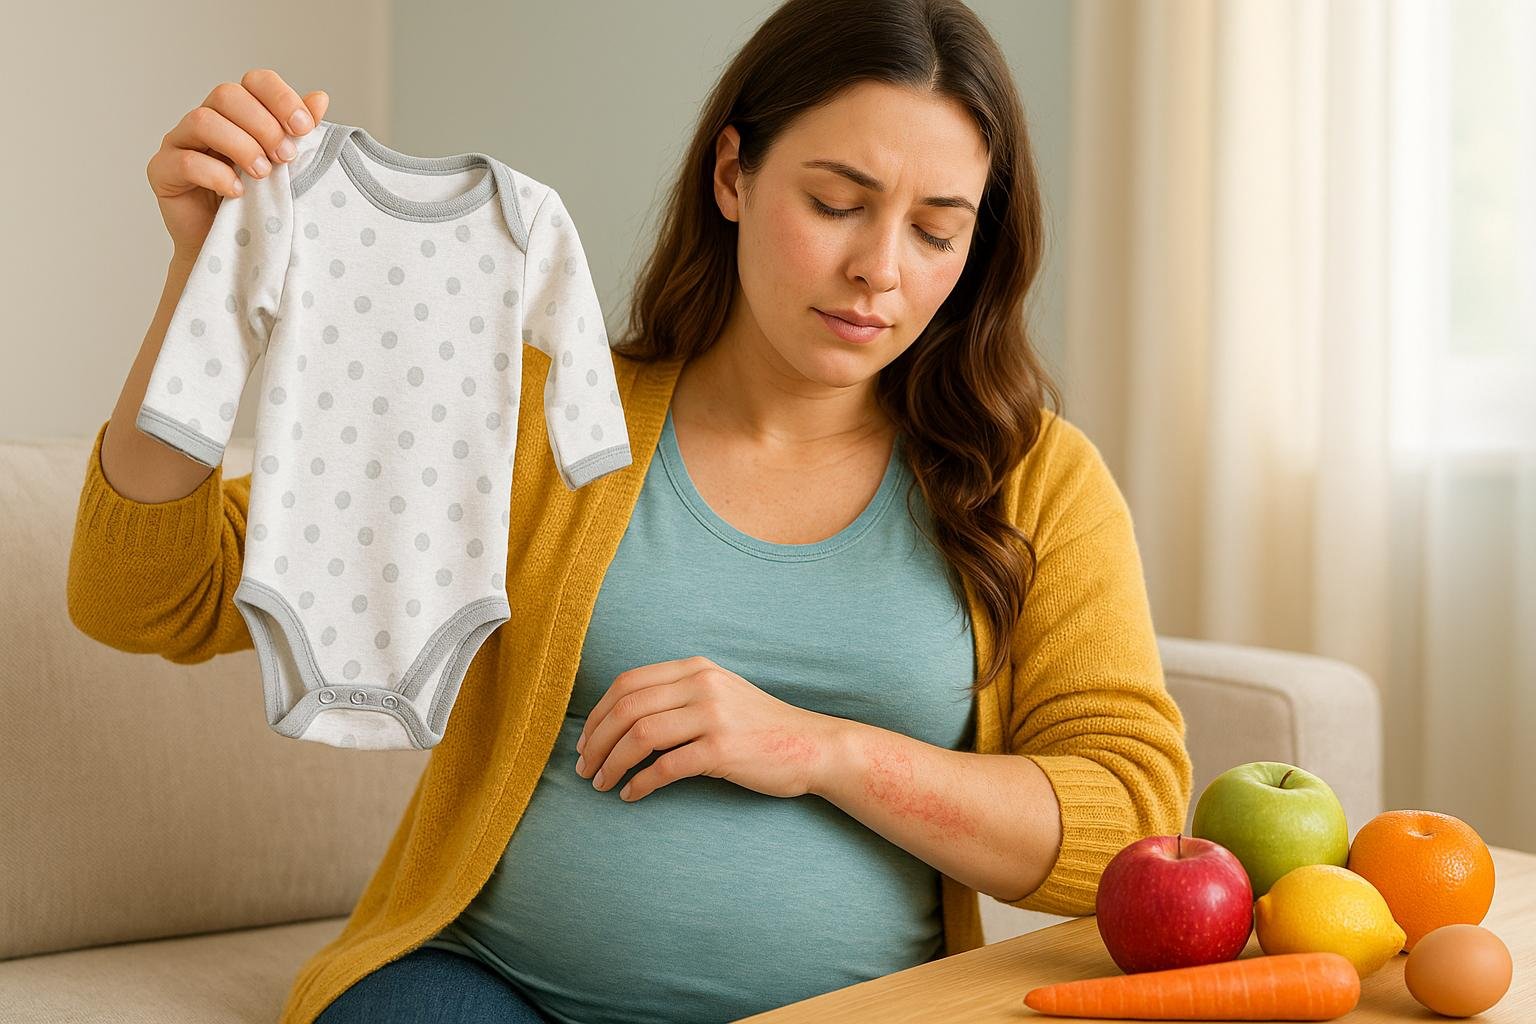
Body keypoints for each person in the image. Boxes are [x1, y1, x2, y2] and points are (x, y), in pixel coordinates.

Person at [66, 1, 1193, 1021]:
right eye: (838, 203)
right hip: (486, 989)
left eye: (937, 230)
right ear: (734, 176)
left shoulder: (1031, 478)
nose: (879, 270)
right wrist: (202, 276)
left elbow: (1129, 822)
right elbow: (150, 598)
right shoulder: (540, 417)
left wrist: (818, 747)